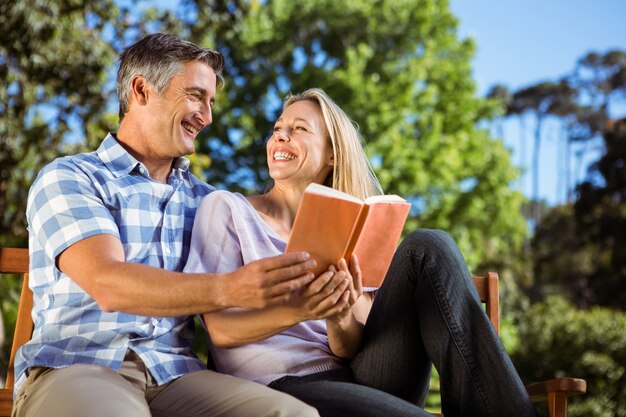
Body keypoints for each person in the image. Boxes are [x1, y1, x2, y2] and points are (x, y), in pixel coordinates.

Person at [12, 33, 320, 417]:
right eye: (195, 96)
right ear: (141, 90)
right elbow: (107, 283)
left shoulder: (207, 201)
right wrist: (231, 289)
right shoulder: (73, 177)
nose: (206, 116)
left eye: (210, 102)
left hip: (177, 375)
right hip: (81, 364)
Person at [184, 88, 540, 417]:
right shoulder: (227, 209)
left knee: (428, 245)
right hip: (281, 384)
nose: (280, 135)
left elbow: (350, 350)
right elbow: (221, 332)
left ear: (332, 155)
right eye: (278, 128)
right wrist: (300, 309)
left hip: (361, 376)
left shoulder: (350, 228)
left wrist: (337, 317)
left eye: (299, 129)